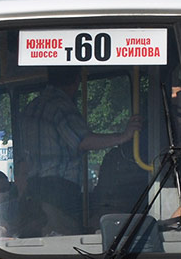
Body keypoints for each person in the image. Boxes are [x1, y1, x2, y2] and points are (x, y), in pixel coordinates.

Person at [17, 68, 141, 224]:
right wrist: (123, 136)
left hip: (33, 187)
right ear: (76, 82)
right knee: (67, 235)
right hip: (58, 190)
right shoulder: (60, 105)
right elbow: (83, 141)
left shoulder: (31, 107)